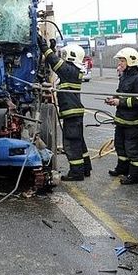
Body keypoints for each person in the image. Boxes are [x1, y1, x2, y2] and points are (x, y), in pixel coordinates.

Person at [40, 38, 92, 181]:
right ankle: (86, 168)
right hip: (74, 113)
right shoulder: (73, 71)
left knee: (71, 143)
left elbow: (55, 63)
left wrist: (44, 47)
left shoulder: (69, 71)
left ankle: (76, 173)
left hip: (71, 113)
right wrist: (51, 48)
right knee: (79, 141)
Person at [105, 48, 138, 184]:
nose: (120, 63)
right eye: (120, 60)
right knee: (120, 146)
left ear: (130, 61)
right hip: (121, 120)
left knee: (133, 149)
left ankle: (135, 176)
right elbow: (120, 92)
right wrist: (113, 99)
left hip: (133, 122)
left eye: (122, 60)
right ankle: (122, 168)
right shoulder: (125, 76)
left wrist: (121, 102)